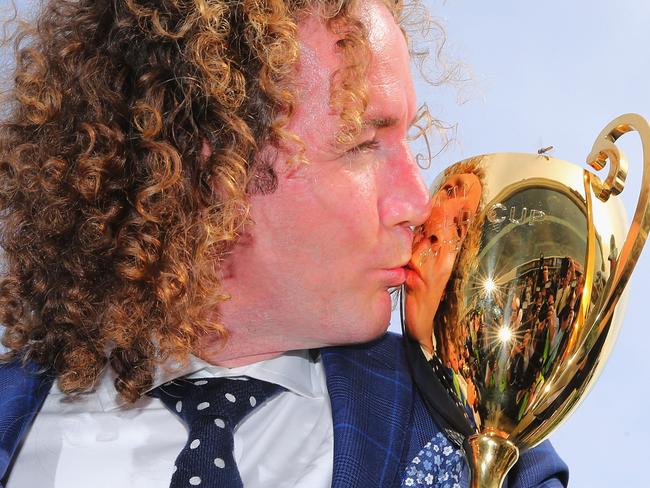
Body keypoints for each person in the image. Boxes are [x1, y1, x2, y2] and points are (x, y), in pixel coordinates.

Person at [0, 0, 569, 487]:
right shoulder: (14, 421)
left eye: (406, 138)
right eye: (363, 145)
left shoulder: (478, 439)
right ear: (212, 167)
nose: (417, 203)